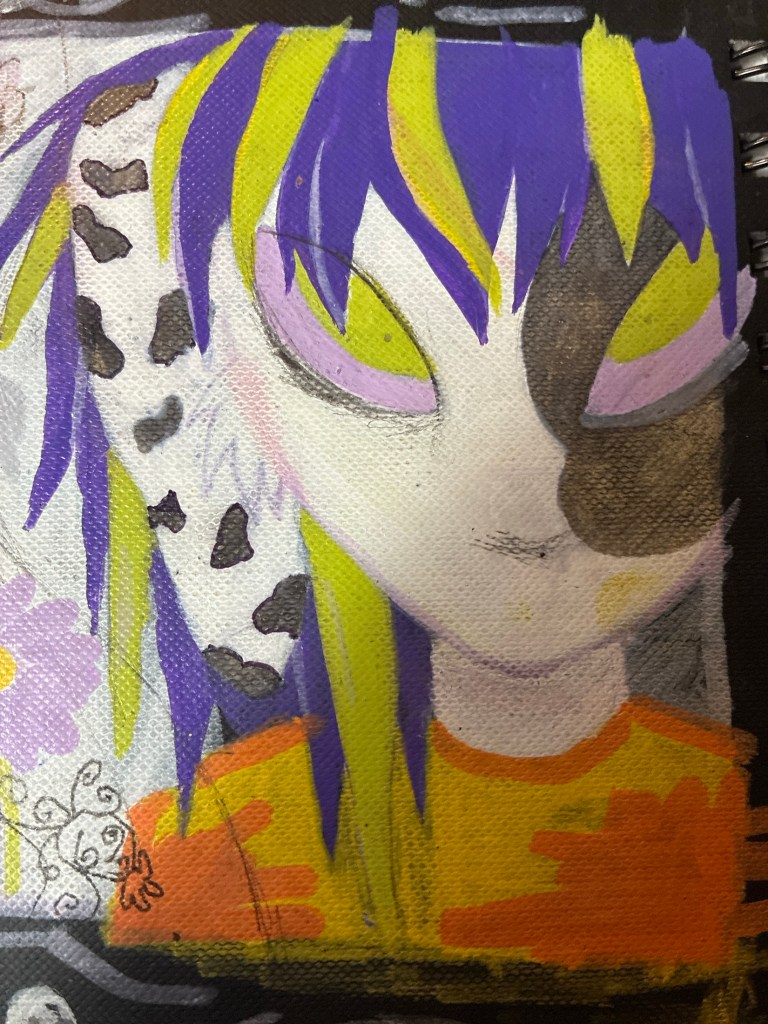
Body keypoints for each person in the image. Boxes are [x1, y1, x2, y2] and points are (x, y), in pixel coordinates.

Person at [1, 6, 766, 1002]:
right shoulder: (215, 856)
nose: (514, 476)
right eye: (366, 341)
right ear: (239, 381)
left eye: (636, 342)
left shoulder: (733, 837)